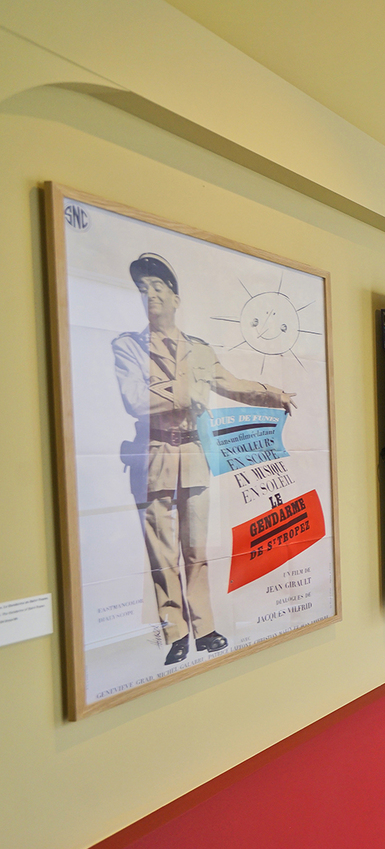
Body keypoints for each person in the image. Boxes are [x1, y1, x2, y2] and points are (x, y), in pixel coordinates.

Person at [113, 253, 296, 666]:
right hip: (155, 456)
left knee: (197, 550)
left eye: (158, 287)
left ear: (175, 298)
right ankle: (175, 633)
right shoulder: (128, 347)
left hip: (194, 456)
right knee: (162, 555)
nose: (150, 294)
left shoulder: (199, 350)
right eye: (143, 289)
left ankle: (205, 628)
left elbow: (231, 384)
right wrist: (185, 395)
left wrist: (273, 394)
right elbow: (134, 401)